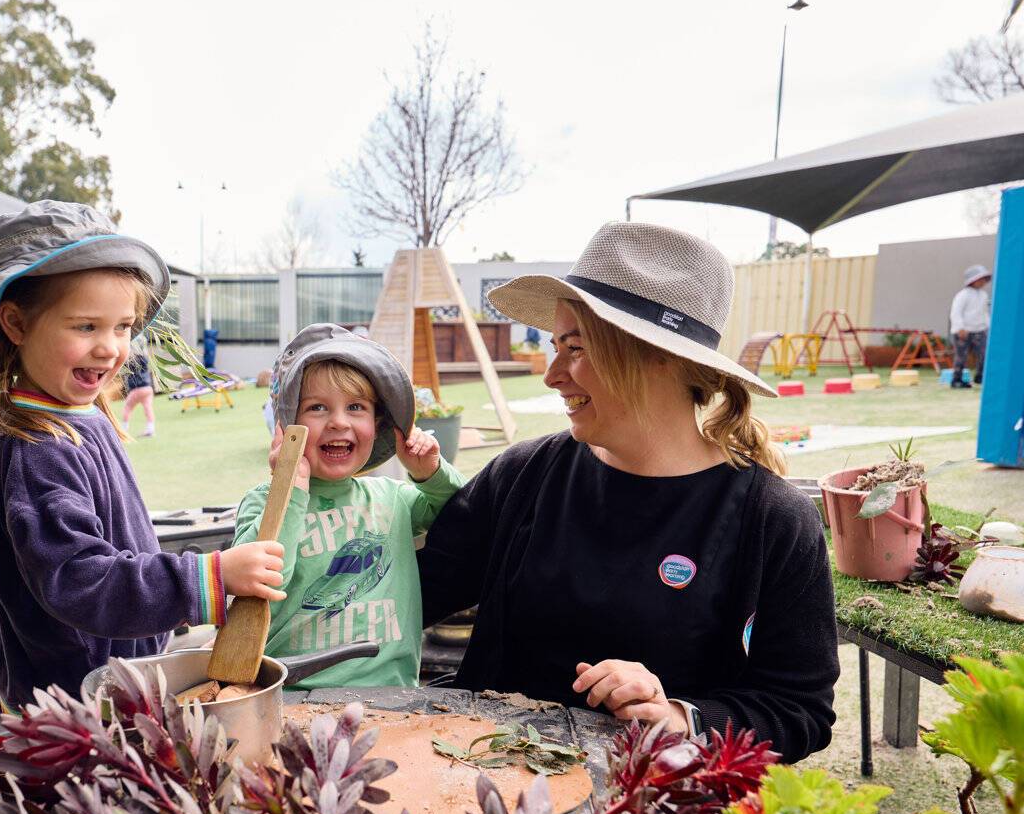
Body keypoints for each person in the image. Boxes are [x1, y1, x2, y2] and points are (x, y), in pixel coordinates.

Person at [418, 223, 838, 763]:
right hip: (496, 788)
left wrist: (678, 718)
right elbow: (409, 592)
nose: (552, 375)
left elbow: (799, 709)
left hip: (653, 806)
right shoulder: (523, 475)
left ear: (658, 355)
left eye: (575, 348)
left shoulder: (773, 519)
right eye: (555, 347)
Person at [0, 201, 288, 706]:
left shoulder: (82, 416)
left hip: (113, 672)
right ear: (16, 323)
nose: (110, 347)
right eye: (86, 327)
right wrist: (210, 577)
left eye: (122, 327)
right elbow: (80, 579)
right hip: (73, 698)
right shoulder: (38, 448)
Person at [232, 324, 463, 689]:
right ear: (288, 426)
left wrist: (429, 472)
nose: (339, 421)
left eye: (356, 407)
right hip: (294, 696)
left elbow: (465, 515)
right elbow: (259, 583)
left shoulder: (393, 498)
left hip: (392, 695)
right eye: (317, 407)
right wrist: (289, 490)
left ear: (377, 423)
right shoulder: (263, 502)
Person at [949, 264, 991, 388]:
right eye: (980, 279)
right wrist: (960, 327)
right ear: (972, 280)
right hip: (964, 331)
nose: (983, 282)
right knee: (961, 357)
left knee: (984, 354)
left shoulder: (983, 295)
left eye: (984, 279)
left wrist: (988, 326)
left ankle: (980, 376)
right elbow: (956, 312)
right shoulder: (963, 295)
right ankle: (957, 380)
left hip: (979, 331)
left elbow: (984, 313)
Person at [120, 338, 155, 437]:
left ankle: (124, 430)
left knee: (127, 408)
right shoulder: (144, 359)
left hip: (137, 388)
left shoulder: (132, 361)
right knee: (148, 408)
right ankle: (150, 429)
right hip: (147, 388)